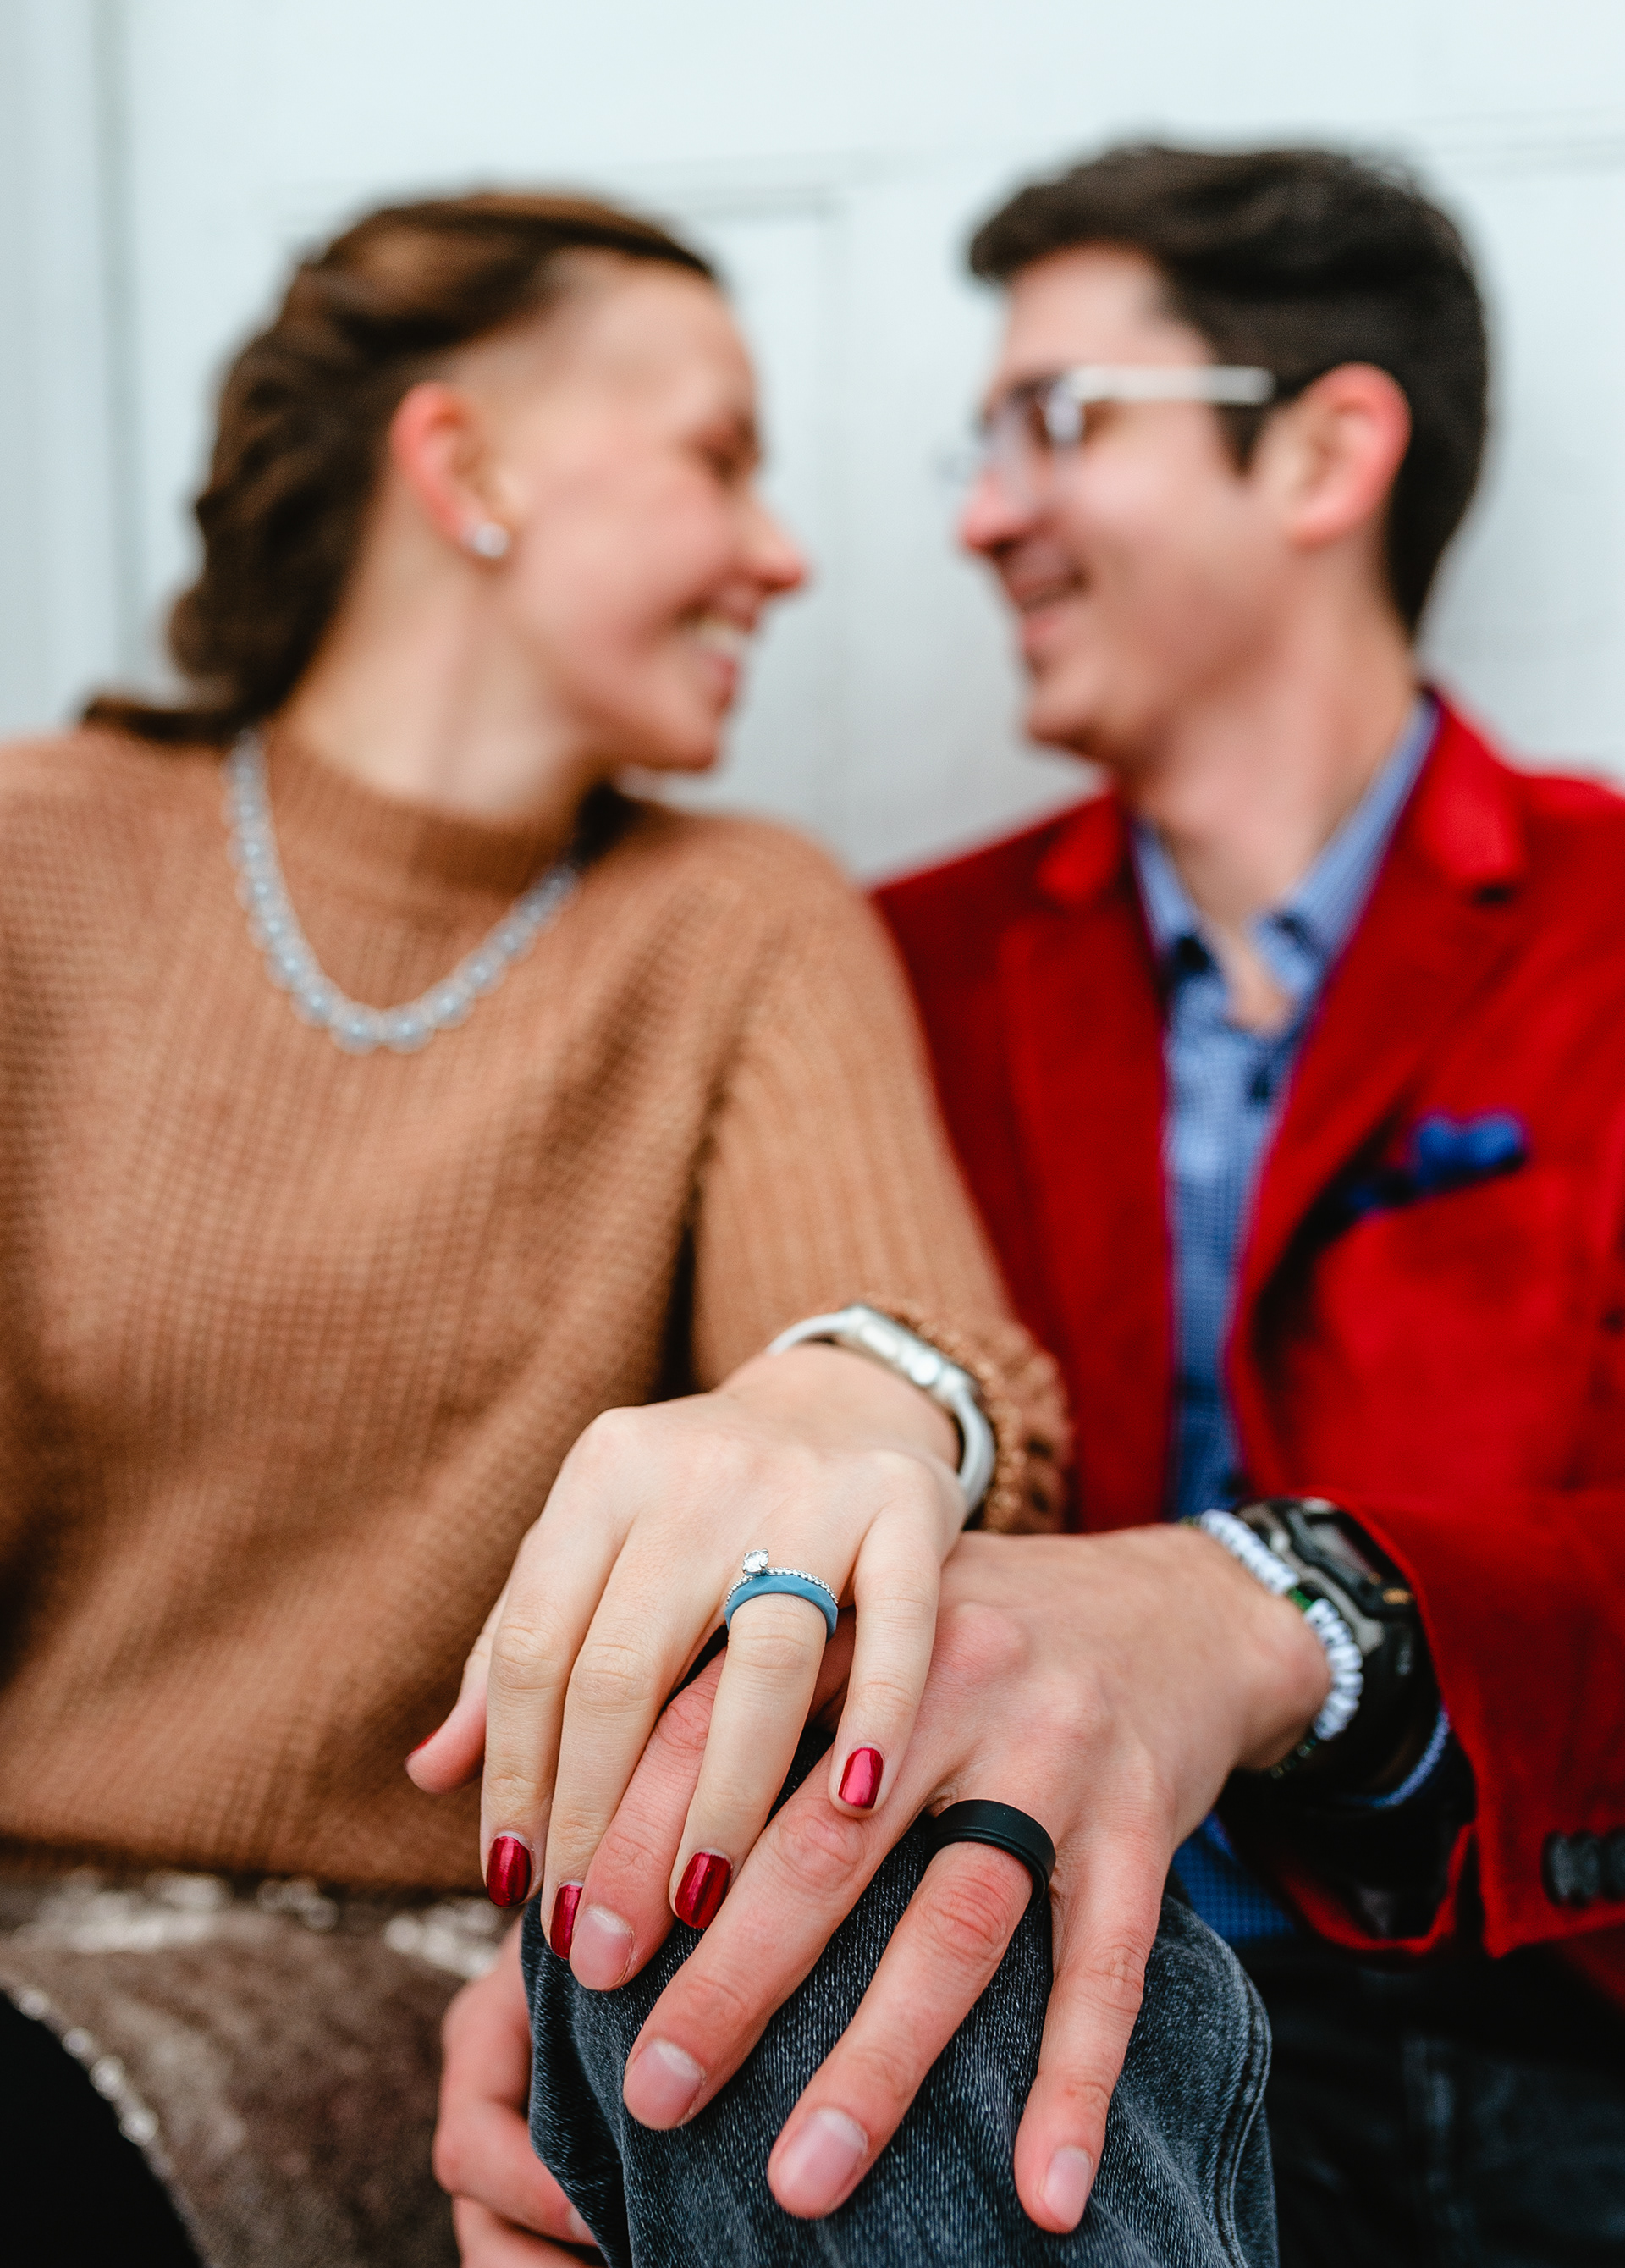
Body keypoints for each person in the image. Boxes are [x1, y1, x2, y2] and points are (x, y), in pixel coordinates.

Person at [436, 146, 1625, 2268]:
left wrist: (1269, 1612)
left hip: (1544, 2020)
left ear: (1328, 449)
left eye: (1056, 421)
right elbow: (741, 1539)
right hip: (1029, 2003)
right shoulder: (878, 968)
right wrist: (563, 1935)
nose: (984, 515)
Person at [0, 187, 1082, 2268]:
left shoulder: (736, 920)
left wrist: (855, 1402)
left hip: (424, 1979)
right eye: (718, 458)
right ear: (463, 460)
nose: (784, 553)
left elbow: (929, 1372)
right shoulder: (36, 862)